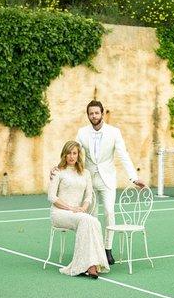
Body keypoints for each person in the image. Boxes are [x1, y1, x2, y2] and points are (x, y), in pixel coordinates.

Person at [75, 100, 146, 265]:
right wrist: (59, 168)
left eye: (96, 113)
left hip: (107, 180)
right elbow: (72, 152)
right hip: (89, 181)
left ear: (102, 113)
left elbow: (123, 155)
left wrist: (134, 177)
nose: (94, 116)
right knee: (91, 216)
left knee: (109, 212)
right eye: (91, 113)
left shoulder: (114, 132)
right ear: (88, 115)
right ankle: (94, 250)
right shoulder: (81, 132)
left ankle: (107, 249)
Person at [48, 140, 110, 278]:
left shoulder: (85, 173)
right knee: (86, 220)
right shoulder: (58, 172)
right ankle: (86, 265)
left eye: (74, 153)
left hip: (77, 213)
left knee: (94, 221)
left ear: (78, 155)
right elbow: (52, 197)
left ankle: (92, 264)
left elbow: (88, 196)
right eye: (68, 153)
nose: (71, 156)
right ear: (64, 155)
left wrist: (83, 208)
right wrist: (71, 208)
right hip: (59, 213)